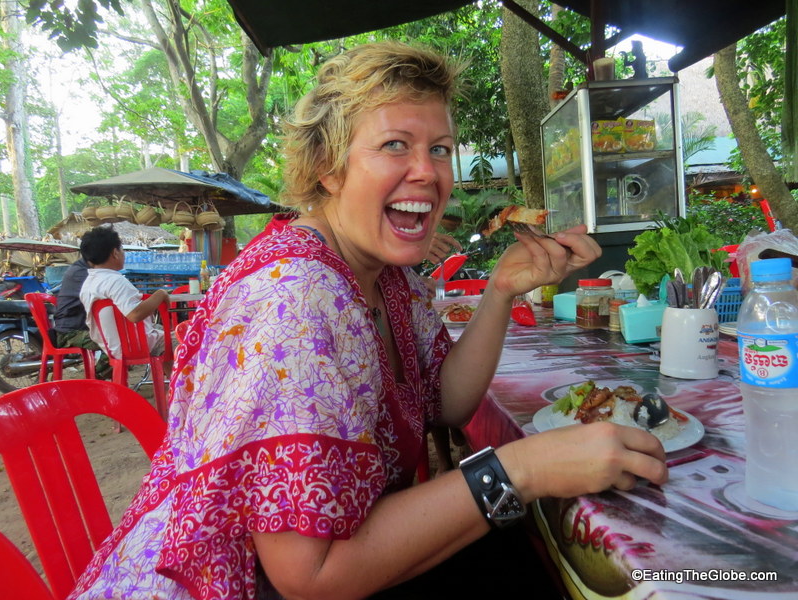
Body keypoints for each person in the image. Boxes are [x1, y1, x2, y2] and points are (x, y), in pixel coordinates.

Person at [69, 41, 667, 600]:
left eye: (439, 148)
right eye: (394, 145)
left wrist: (501, 292)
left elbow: (445, 404)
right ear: (329, 167)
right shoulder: (294, 302)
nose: (428, 172)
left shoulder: (387, 277)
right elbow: (308, 575)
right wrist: (521, 467)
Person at [78, 226, 170, 360]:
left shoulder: (88, 284)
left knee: (162, 332)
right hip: (136, 345)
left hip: (112, 347)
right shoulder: (115, 281)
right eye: (121, 249)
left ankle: (169, 378)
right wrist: (160, 294)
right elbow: (135, 314)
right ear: (115, 253)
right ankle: (182, 380)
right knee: (188, 340)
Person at [51, 254, 112, 378]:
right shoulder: (82, 274)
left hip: (78, 327)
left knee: (119, 339)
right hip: (70, 333)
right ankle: (96, 378)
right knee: (116, 342)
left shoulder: (84, 269)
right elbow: (108, 296)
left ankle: (99, 376)